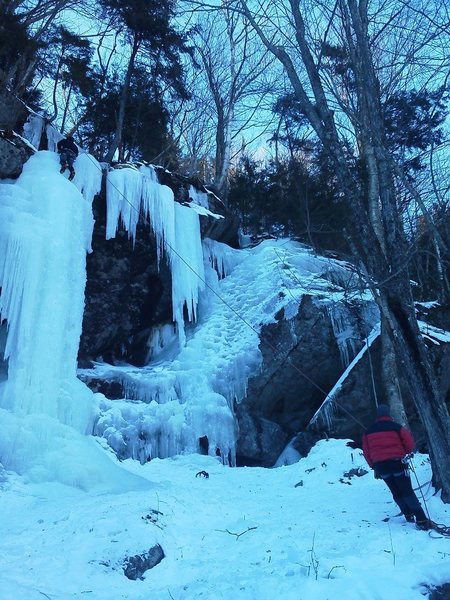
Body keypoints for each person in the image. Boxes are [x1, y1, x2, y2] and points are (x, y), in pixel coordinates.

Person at [362, 403, 431, 530]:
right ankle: (421, 519)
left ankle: (408, 514)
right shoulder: (396, 427)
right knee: (407, 491)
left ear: (377, 416)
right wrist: (403, 453)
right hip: (397, 463)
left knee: (395, 491)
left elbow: (366, 452)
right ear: (389, 414)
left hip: (381, 467)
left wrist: (373, 465)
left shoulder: (368, 432)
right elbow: (409, 444)